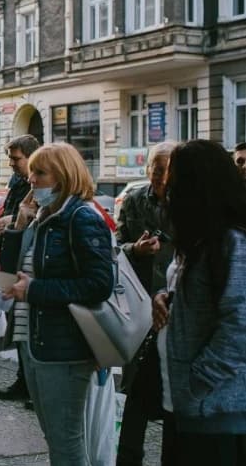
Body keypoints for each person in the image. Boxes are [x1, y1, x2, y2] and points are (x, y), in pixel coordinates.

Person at [2, 142, 114, 466]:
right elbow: (7, 281)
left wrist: (35, 290)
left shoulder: (80, 217)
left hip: (65, 349)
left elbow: (99, 284)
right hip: (36, 344)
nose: (31, 179)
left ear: (63, 177)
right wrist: (19, 225)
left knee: (66, 442)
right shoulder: (44, 218)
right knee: (55, 437)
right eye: (32, 171)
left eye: (40, 172)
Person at [161, 140, 246, 465]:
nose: (168, 187)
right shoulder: (203, 239)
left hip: (216, 412)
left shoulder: (230, 242)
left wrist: (199, 379)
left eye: (174, 177)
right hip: (190, 407)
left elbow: (239, 326)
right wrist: (168, 299)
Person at [116, 141, 177, 466]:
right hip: (139, 306)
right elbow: (117, 244)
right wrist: (134, 250)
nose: (160, 175)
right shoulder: (135, 199)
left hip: (174, 309)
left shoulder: (188, 202)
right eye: (156, 167)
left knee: (171, 391)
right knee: (133, 388)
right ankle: (128, 458)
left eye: (166, 168)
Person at [0, 134, 39, 404]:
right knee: (13, 321)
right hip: (10, 257)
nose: (11, 163)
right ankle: (23, 380)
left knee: (27, 324)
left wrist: (14, 219)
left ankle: (33, 384)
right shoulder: (16, 182)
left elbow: (32, 215)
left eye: (16, 158)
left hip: (25, 264)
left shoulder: (42, 183)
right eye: (10, 157)